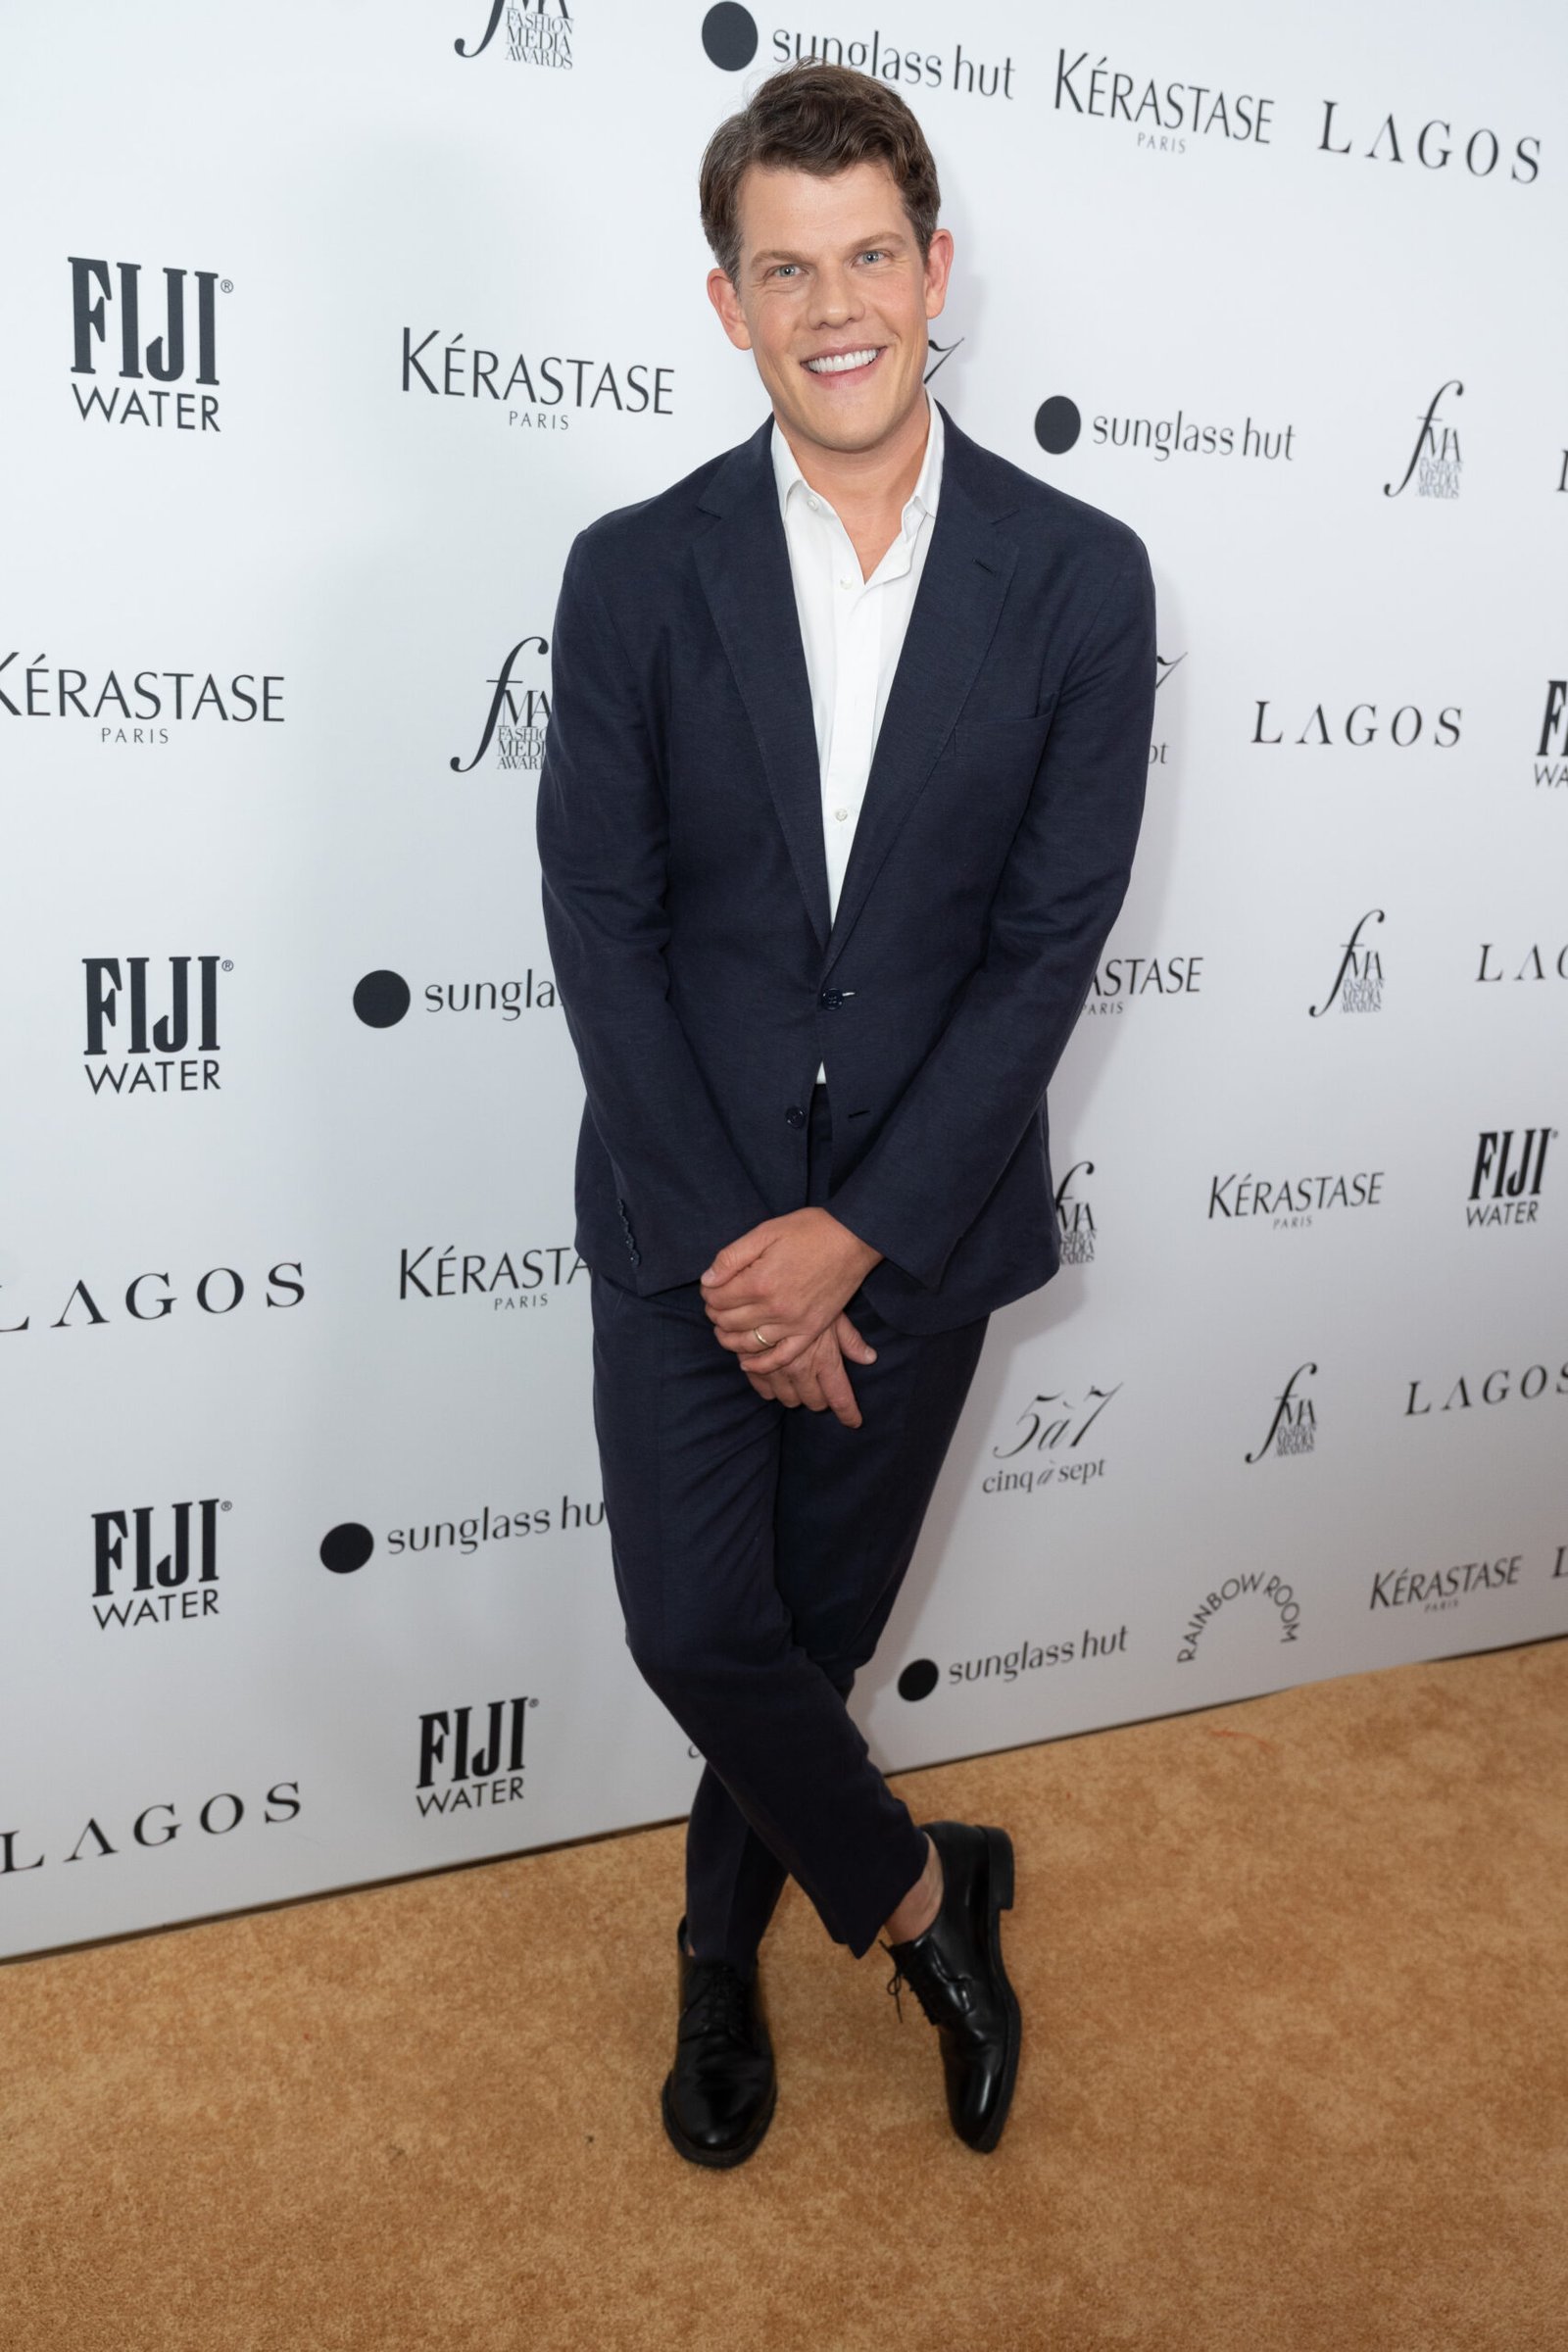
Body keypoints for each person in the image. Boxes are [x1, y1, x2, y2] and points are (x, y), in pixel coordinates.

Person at [536, 59, 1154, 2165]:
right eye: (784, 269)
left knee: (806, 1636)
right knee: (701, 1625)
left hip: (927, 1224)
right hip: (685, 1224)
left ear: (933, 268)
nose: (834, 306)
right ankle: (913, 1899)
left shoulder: (1081, 576)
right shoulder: (633, 571)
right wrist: (748, 1248)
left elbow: (1046, 946)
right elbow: (602, 926)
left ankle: (715, 1959)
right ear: (728, 302)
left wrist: (856, 1234)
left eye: (867, 254)